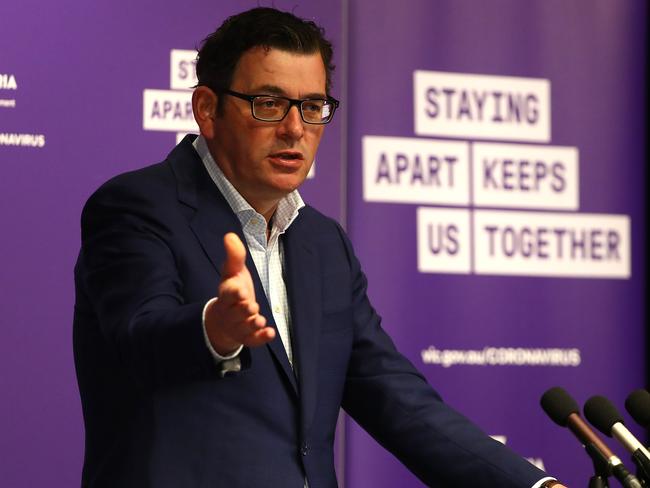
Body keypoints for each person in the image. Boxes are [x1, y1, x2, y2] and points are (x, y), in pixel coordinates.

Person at [73, 7, 566, 488]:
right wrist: (213, 329)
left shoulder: (321, 242)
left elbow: (398, 400)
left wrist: (534, 486)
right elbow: (138, 337)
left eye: (312, 107)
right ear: (208, 109)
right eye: (268, 103)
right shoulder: (136, 207)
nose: (295, 129)